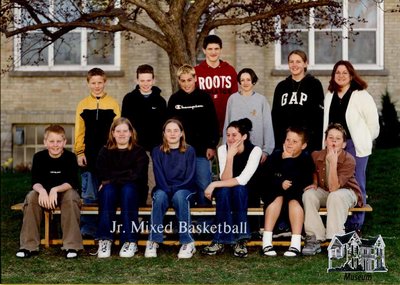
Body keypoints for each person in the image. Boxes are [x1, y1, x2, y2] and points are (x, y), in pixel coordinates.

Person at [324, 60, 379, 233]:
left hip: (355, 146)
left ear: (351, 76)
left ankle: (356, 224)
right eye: (337, 73)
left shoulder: (361, 95)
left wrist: (364, 140)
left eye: (344, 73)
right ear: (333, 76)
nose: (341, 76)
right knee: (334, 182)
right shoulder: (330, 96)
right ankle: (338, 222)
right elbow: (325, 123)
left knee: (356, 183)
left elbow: (373, 124)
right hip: (334, 145)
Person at [16, 125, 82, 259]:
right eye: (51, 141)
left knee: (71, 196)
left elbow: (71, 182)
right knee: (31, 196)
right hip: (44, 195)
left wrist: (55, 189)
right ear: (45, 142)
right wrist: (42, 191)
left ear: (64, 142)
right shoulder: (39, 157)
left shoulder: (70, 157)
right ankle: (28, 246)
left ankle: (71, 246)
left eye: (59, 141)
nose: (55, 145)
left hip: (64, 193)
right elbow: (35, 182)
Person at [202, 118, 262, 258]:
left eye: (234, 135)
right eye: (228, 135)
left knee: (238, 189)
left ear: (244, 136)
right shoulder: (223, 149)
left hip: (249, 191)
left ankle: (240, 240)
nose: (230, 138)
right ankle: (220, 240)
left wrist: (213, 184)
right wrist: (230, 157)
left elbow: (243, 180)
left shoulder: (255, 150)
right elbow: (225, 179)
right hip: (228, 190)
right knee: (224, 191)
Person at [301, 123, 363, 255]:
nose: (334, 141)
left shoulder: (349, 159)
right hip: (326, 191)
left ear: (344, 144)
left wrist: (333, 162)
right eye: (330, 137)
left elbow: (334, 188)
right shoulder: (316, 155)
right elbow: (312, 170)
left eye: (338, 138)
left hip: (347, 192)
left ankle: (337, 239)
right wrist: (315, 181)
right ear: (325, 141)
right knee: (309, 194)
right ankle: (315, 238)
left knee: (335, 196)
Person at [75, 67, 120, 238]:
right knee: (89, 193)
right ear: (88, 84)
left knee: (107, 191)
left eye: (100, 82)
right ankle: (88, 229)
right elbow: (79, 131)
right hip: (89, 155)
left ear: (105, 82)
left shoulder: (113, 104)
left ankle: (107, 227)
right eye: (93, 83)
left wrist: (115, 153)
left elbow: (118, 130)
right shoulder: (82, 105)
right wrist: (79, 152)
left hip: (108, 156)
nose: (97, 86)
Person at [95, 117, 149, 258]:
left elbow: (137, 176)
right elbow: (102, 173)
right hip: (111, 192)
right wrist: (123, 176)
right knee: (107, 190)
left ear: (131, 133)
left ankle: (130, 241)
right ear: (112, 133)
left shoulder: (139, 152)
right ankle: (105, 239)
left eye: (125, 131)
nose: (121, 134)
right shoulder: (105, 151)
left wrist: (113, 178)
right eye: (118, 131)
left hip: (133, 193)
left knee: (128, 189)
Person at [167, 64, 219, 206]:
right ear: (178, 81)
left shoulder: (205, 98)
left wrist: (211, 145)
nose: (186, 84)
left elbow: (213, 123)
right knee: (180, 187)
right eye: (183, 81)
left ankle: (205, 223)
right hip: (179, 152)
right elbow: (168, 127)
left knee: (204, 185)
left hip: (201, 152)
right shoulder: (174, 100)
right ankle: (183, 222)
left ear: (195, 79)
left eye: (189, 80)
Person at [144, 119, 197, 259]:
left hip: (185, 188)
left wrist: (174, 190)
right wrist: (168, 190)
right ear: (164, 134)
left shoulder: (190, 150)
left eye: (176, 130)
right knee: (159, 197)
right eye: (169, 130)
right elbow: (159, 175)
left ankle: (187, 242)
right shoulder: (157, 151)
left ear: (181, 133)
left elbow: (190, 177)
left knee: (180, 197)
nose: (172, 134)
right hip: (164, 187)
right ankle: (153, 240)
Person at [223, 68, 275, 208]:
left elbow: (267, 126)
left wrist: (266, 150)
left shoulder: (261, 100)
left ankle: (254, 226)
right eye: (242, 80)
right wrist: (226, 149)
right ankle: (237, 222)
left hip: (255, 153)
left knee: (254, 187)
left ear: (253, 81)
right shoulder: (233, 99)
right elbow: (227, 124)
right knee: (237, 186)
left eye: (248, 79)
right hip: (237, 152)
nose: (245, 83)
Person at [261, 127, 314, 257]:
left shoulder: (306, 159)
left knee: (294, 200)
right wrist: (280, 183)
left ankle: (295, 243)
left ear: (303, 145)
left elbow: (301, 183)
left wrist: (289, 160)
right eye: (288, 140)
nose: (289, 143)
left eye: (295, 141)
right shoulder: (275, 155)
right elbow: (265, 178)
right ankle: (266, 241)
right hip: (275, 194)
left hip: (294, 196)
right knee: (277, 197)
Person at [121, 64, 167, 206]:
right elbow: (125, 124)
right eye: (142, 80)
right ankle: (137, 218)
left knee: (153, 182)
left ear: (153, 80)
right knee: (136, 182)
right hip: (135, 148)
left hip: (155, 149)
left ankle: (151, 216)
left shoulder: (160, 101)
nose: (145, 84)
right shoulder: (129, 99)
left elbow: (164, 127)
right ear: (137, 80)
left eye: (148, 80)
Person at [272, 49, 324, 152]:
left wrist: (315, 146)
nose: (294, 65)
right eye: (291, 62)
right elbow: (275, 116)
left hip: (307, 145)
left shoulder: (314, 85)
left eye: (298, 61)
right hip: (284, 144)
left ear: (305, 64)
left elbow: (318, 118)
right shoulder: (281, 87)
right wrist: (279, 143)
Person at [195, 34, 238, 134]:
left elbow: (235, 98)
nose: (213, 52)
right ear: (204, 50)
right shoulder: (196, 72)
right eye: (210, 49)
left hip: (227, 127)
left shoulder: (229, 70)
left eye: (216, 49)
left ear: (221, 50)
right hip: (203, 128)